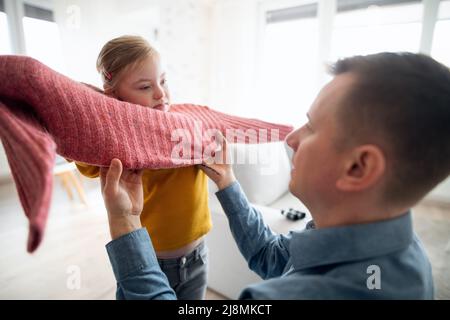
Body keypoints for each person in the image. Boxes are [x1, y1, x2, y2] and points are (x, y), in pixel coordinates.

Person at [101, 52, 450, 299]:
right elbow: (271, 256)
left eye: (311, 127)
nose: (291, 138)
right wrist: (228, 182)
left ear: (359, 167)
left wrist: (127, 226)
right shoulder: (397, 247)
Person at [75, 35, 211, 299]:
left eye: (163, 81)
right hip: (147, 263)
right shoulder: (120, 141)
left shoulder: (187, 126)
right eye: (145, 87)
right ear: (115, 96)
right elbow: (88, 161)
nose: (161, 93)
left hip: (198, 257)